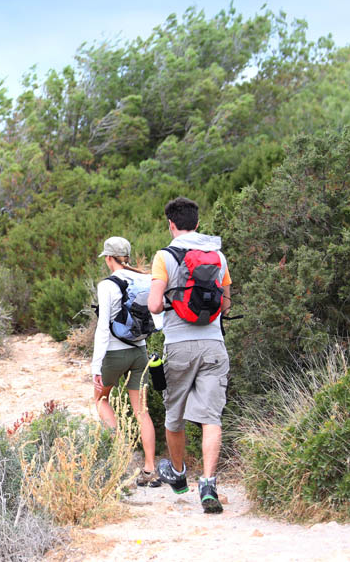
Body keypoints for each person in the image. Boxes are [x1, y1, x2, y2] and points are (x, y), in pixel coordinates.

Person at [147, 197, 232, 514]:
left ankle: (180, 474)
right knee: (211, 418)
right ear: (198, 223)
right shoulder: (218, 256)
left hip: (179, 346)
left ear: (171, 224)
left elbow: (155, 305)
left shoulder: (163, 257)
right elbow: (225, 305)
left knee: (174, 416)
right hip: (213, 344)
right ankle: (208, 484)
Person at [91, 236, 160, 488]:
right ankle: (150, 470)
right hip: (139, 352)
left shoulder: (107, 285)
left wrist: (95, 366)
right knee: (142, 411)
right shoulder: (144, 278)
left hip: (113, 353)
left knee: (101, 399)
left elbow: (101, 329)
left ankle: (123, 457)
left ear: (109, 258)